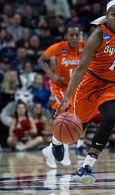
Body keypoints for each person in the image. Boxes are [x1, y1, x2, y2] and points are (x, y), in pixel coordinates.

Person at [54, 0, 115, 185]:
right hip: (91, 84)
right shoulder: (98, 35)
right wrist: (66, 98)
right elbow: (79, 69)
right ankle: (56, 140)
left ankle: (86, 166)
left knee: (111, 118)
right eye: (113, 15)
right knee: (75, 129)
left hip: (114, 86)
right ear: (107, 15)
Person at [38, 23, 85, 169]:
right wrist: (52, 75)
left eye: (77, 35)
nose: (74, 38)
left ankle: (50, 151)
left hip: (75, 88)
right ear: (66, 36)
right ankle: (63, 150)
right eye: (71, 35)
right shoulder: (58, 47)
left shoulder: (85, 46)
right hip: (59, 86)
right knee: (64, 114)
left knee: (73, 118)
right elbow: (41, 60)